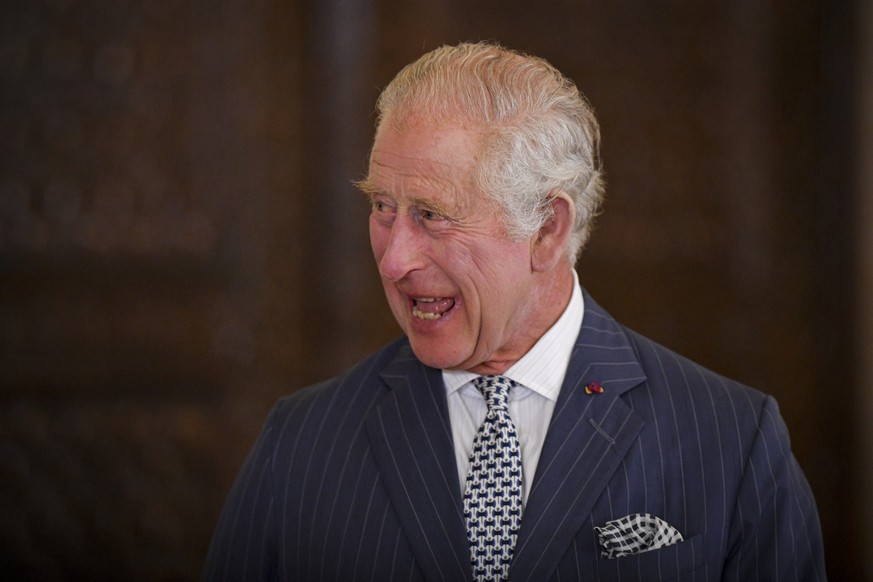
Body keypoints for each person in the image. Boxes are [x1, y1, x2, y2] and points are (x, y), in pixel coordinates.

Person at [203, 42, 825, 581]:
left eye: (431, 214)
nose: (393, 260)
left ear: (547, 230)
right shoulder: (301, 444)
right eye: (383, 208)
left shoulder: (733, 443)